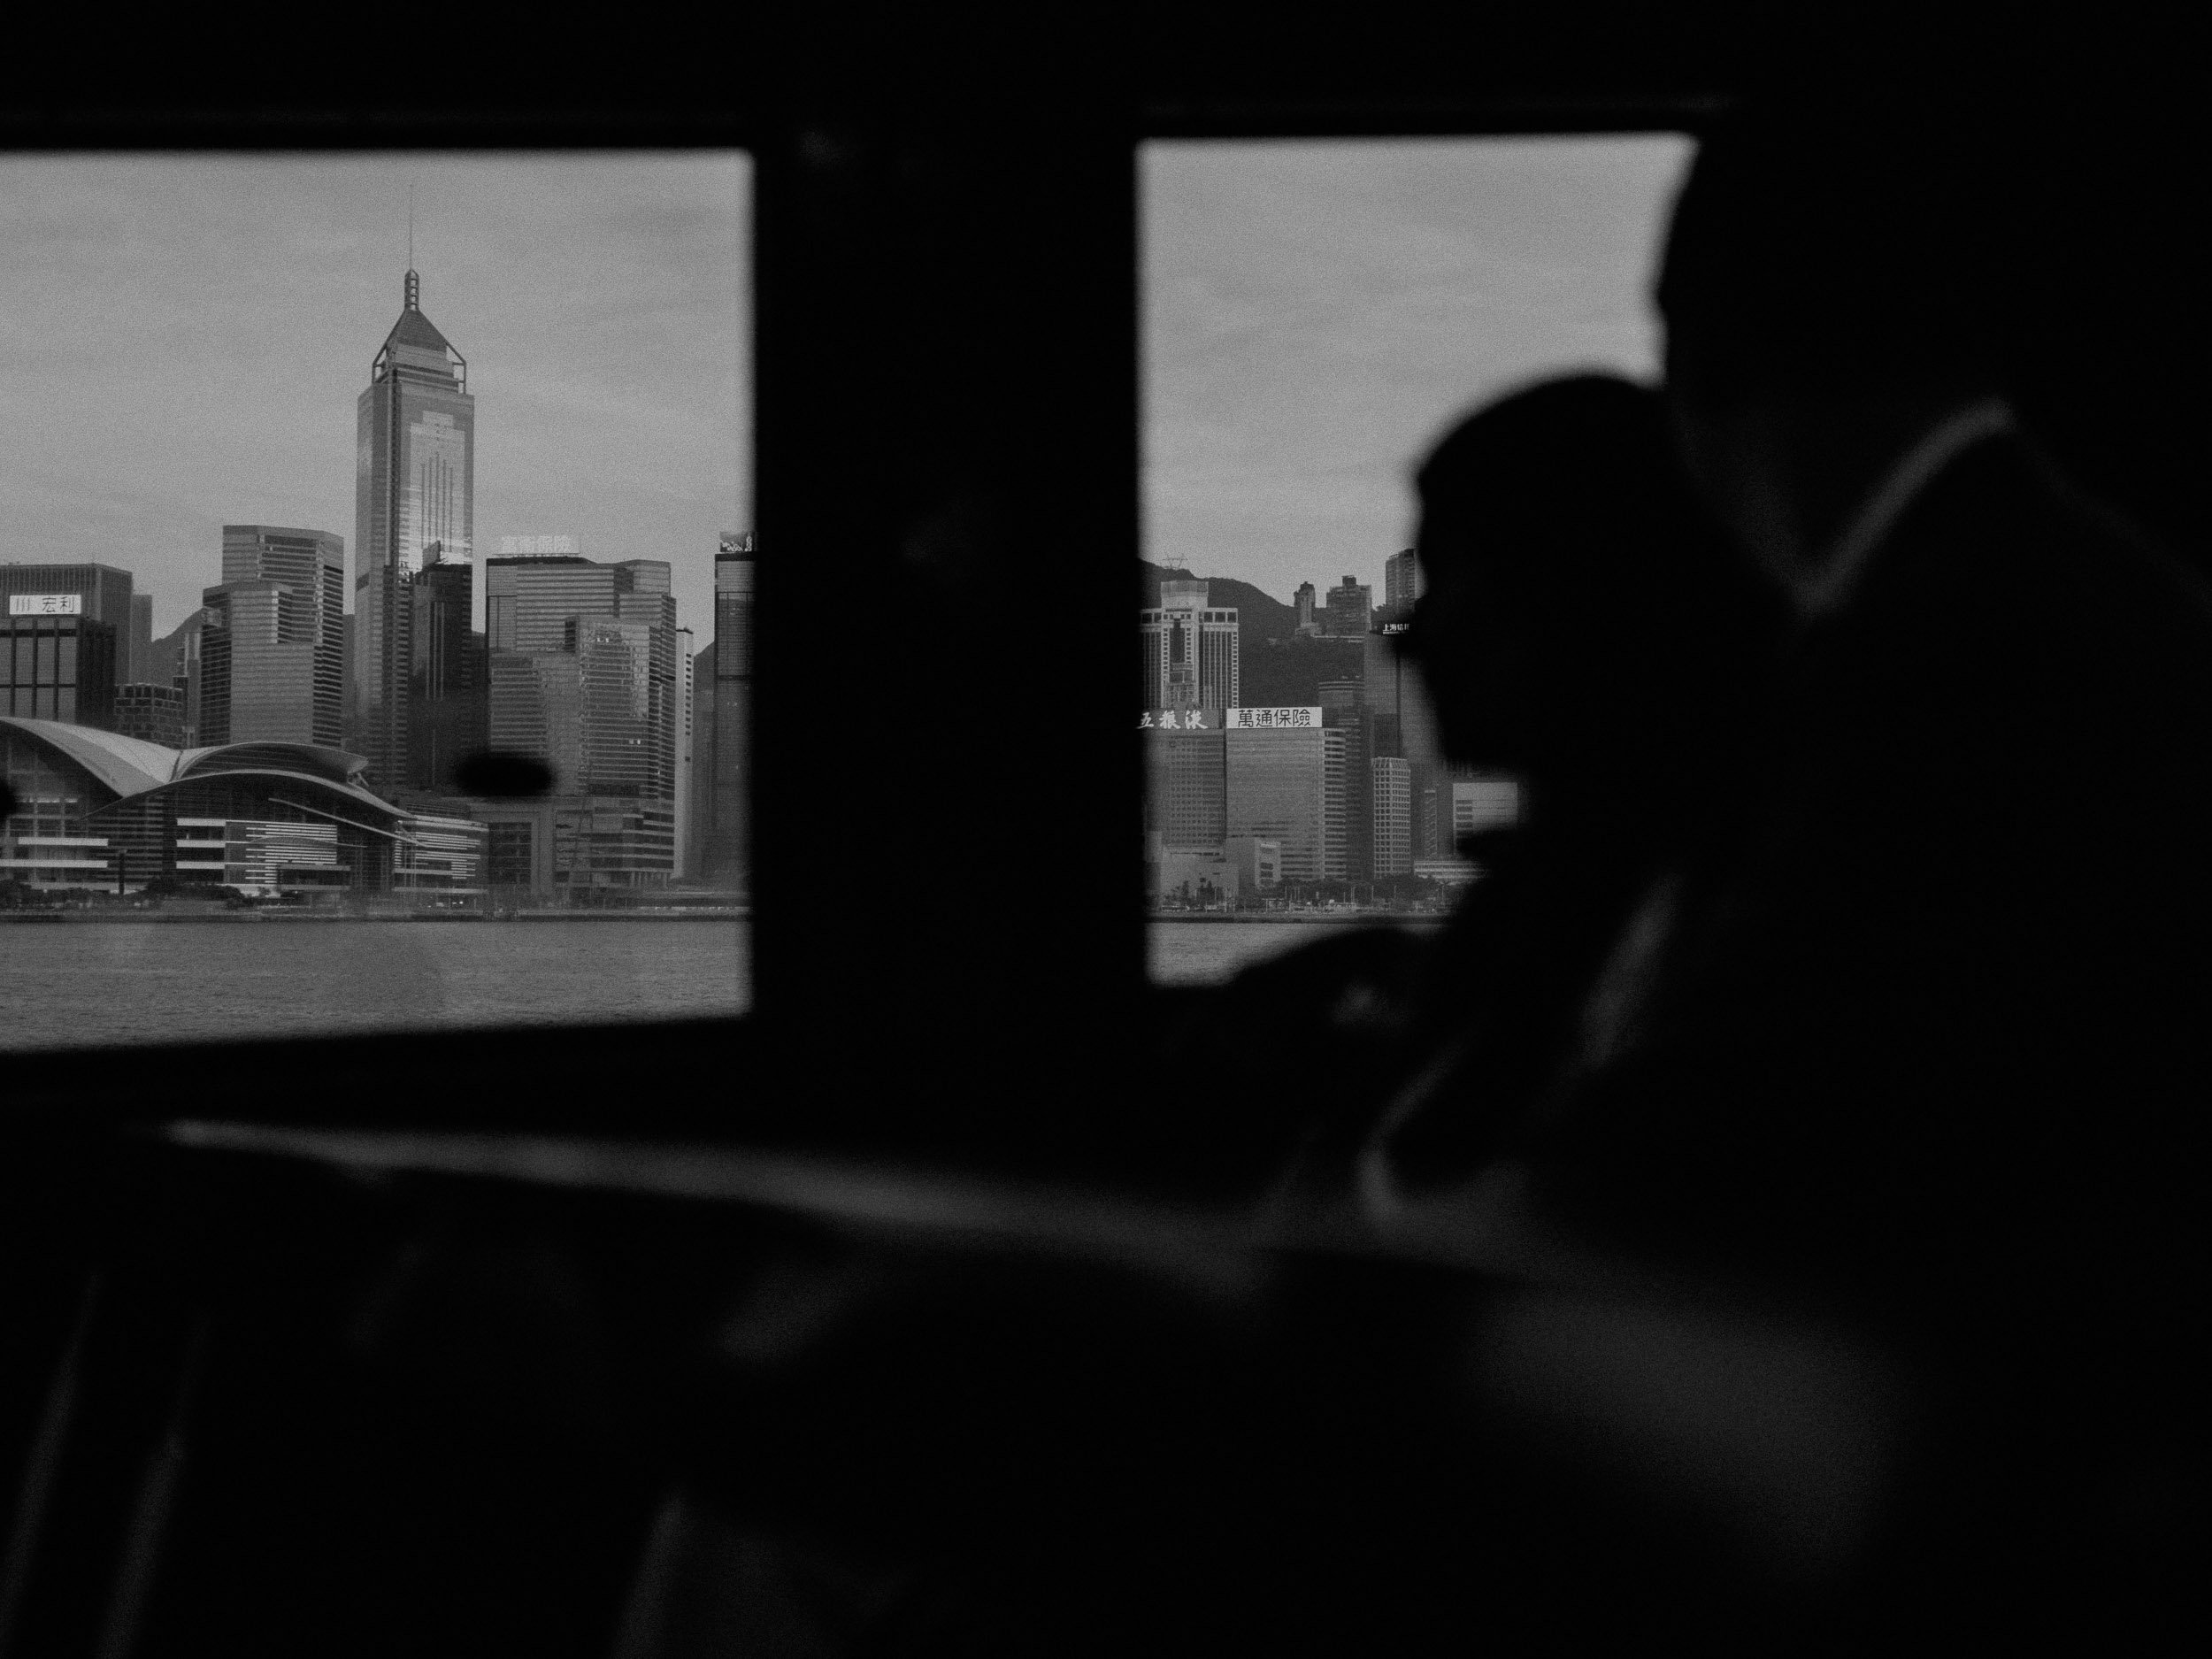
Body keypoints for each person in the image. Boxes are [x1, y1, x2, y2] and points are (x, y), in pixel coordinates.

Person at [1378, 98, 2212, 1647]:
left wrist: (1369, 1271)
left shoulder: (1958, 652)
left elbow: (1726, 1134)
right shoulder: (2035, 593)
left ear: (1697, 363)